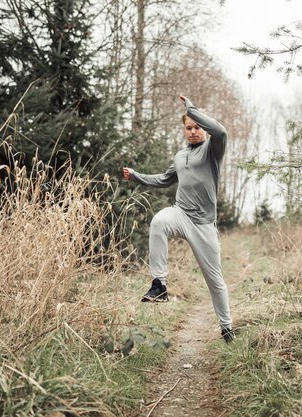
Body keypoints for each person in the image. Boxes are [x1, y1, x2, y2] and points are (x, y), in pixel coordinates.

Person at [122, 96, 234, 343]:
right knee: (159, 221)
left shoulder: (212, 149)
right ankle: (159, 285)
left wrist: (192, 109)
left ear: (203, 128)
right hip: (181, 213)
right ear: (184, 130)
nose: (193, 132)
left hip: (203, 224)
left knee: (215, 281)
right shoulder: (180, 155)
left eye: (197, 127)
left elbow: (221, 130)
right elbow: (164, 179)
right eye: (189, 128)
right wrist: (136, 176)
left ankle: (227, 329)